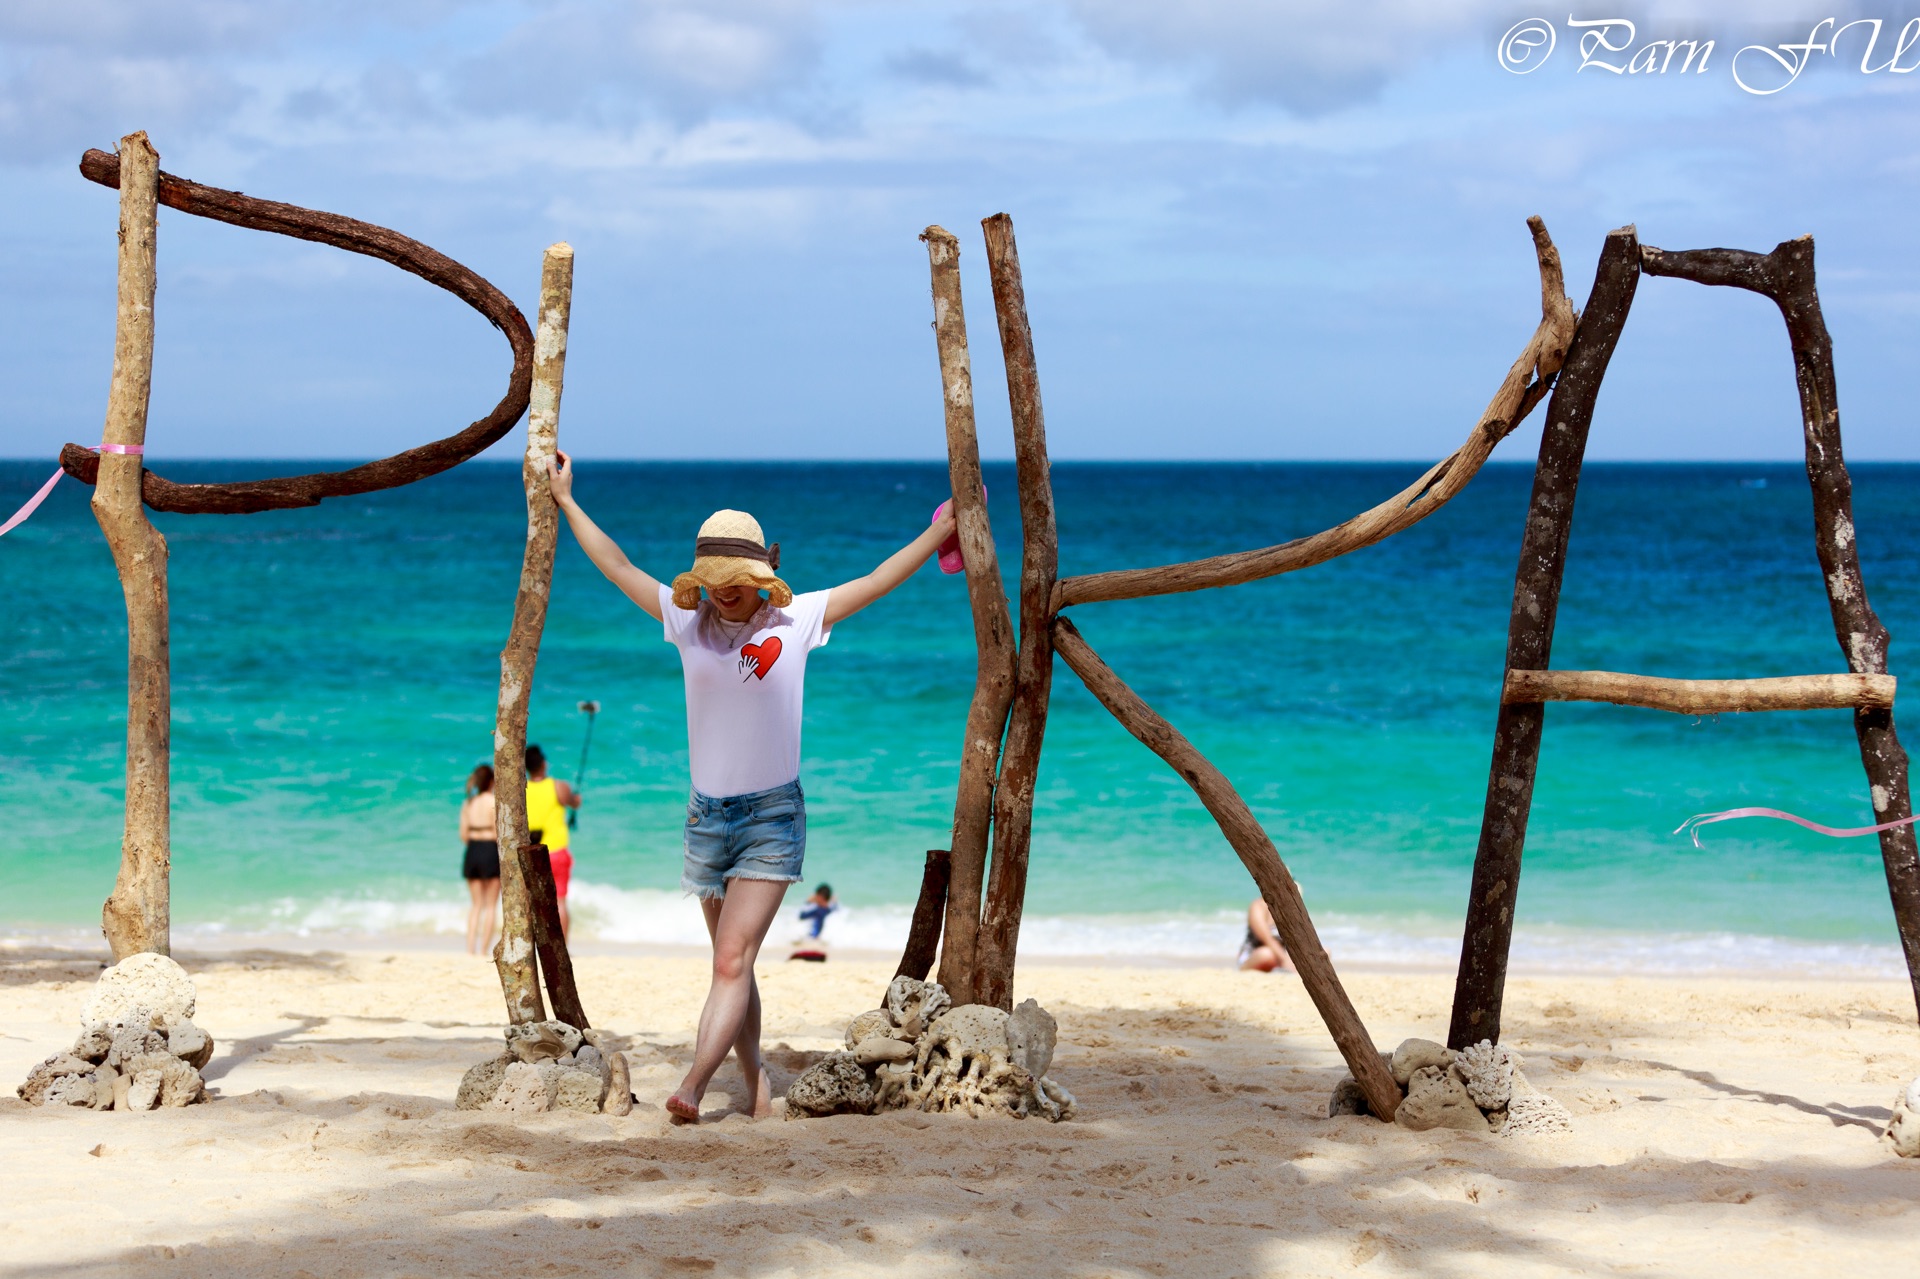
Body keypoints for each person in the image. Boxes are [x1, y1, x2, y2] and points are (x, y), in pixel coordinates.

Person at [548, 448, 953, 1122]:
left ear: (767, 564)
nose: (726, 590)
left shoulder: (797, 622)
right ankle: (757, 1081)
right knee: (733, 963)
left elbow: (880, 577)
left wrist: (940, 533)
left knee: (731, 959)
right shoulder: (687, 623)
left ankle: (694, 1086)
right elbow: (617, 564)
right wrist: (565, 500)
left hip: (771, 817)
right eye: (714, 578)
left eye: (738, 576)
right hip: (706, 818)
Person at [524, 743, 582, 937]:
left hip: (532, 852)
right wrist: (576, 800)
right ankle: (563, 947)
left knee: (535, 902)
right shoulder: (558, 786)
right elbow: (574, 802)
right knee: (560, 901)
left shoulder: (521, 790)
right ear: (543, 764)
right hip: (556, 851)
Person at [460, 764, 501, 956]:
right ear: (492, 781)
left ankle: (470, 948)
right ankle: (484, 949)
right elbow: (496, 833)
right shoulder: (493, 801)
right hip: (490, 849)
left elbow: (463, 835)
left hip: (473, 850)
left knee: (476, 905)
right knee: (491, 905)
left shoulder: (468, 803)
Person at [1239, 897, 1292, 972]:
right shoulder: (1259, 906)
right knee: (1267, 954)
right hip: (1254, 954)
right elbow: (1267, 939)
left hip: (1280, 956)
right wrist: (1285, 960)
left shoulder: (1288, 912)